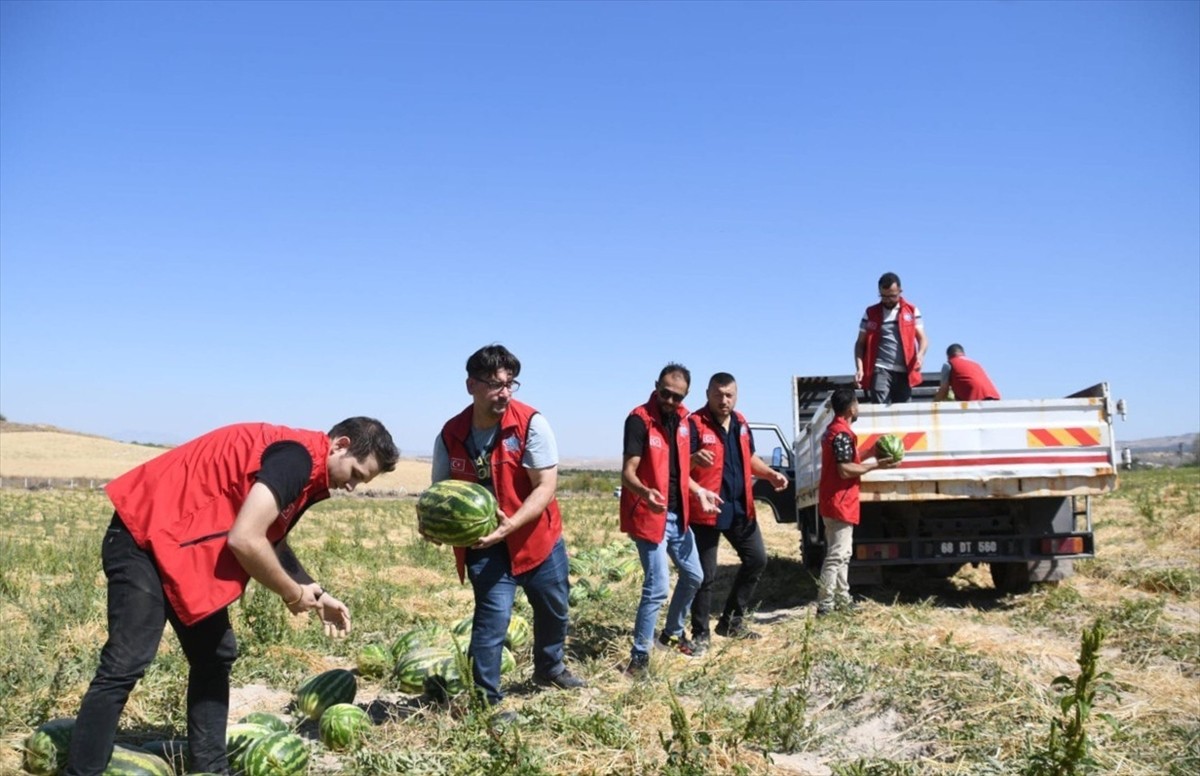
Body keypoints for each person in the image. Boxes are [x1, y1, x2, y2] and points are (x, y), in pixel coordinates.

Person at [67, 417, 399, 776]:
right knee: (125, 662)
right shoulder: (296, 459)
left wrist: (317, 593)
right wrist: (291, 594)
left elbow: (272, 537)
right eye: (355, 473)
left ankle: (210, 768)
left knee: (215, 654)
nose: (351, 486)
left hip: (177, 546)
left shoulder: (307, 465)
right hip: (143, 538)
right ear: (340, 444)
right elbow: (245, 539)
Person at [430, 344, 584, 714]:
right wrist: (435, 526)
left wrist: (511, 524)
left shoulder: (531, 423)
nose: (505, 392)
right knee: (491, 620)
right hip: (485, 543)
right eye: (495, 384)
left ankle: (550, 668)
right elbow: (439, 493)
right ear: (471, 385)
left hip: (536, 537)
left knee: (554, 609)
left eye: (510, 384)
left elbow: (545, 486)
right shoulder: (451, 434)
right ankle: (485, 700)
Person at [620, 363, 720, 675]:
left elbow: (677, 473)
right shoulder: (639, 420)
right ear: (656, 386)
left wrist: (700, 491)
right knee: (658, 587)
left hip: (678, 516)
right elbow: (627, 474)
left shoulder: (684, 421)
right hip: (650, 516)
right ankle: (639, 658)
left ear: (686, 395)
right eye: (665, 394)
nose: (671, 401)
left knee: (694, 576)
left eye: (678, 396)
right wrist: (645, 493)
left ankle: (671, 635)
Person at [687, 373, 789, 652]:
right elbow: (676, 466)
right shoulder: (694, 424)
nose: (724, 400)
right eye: (718, 394)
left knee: (757, 559)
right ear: (707, 393)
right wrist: (691, 459)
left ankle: (731, 622)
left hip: (740, 507)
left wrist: (770, 474)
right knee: (704, 575)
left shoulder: (742, 423)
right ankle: (700, 633)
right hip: (706, 510)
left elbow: (749, 457)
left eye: (729, 395)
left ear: (737, 394)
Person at [816, 388, 896, 616]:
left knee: (843, 553)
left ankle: (842, 598)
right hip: (840, 501)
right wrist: (876, 465)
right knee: (836, 554)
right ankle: (825, 604)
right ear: (851, 407)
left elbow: (847, 459)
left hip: (836, 501)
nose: (858, 407)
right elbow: (844, 469)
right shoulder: (841, 433)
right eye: (857, 403)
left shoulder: (837, 432)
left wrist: (870, 452)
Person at [854, 272, 929, 404]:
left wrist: (921, 355)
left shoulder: (911, 310)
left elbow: (923, 339)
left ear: (900, 291)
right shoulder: (870, 313)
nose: (888, 300)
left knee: (904, 412)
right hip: (880, 368)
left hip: (905, 371)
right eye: (884, 296)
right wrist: (860, 368)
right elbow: (860, 343)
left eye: (892, 296)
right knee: (881, 410)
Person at [933, 343, 1001, 401]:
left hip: (975, 398)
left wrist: (933, 404)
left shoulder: (948, 364)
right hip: (995, 397)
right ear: (963, 353)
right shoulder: (976, 364)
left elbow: (944, 390)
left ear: (948, 356)